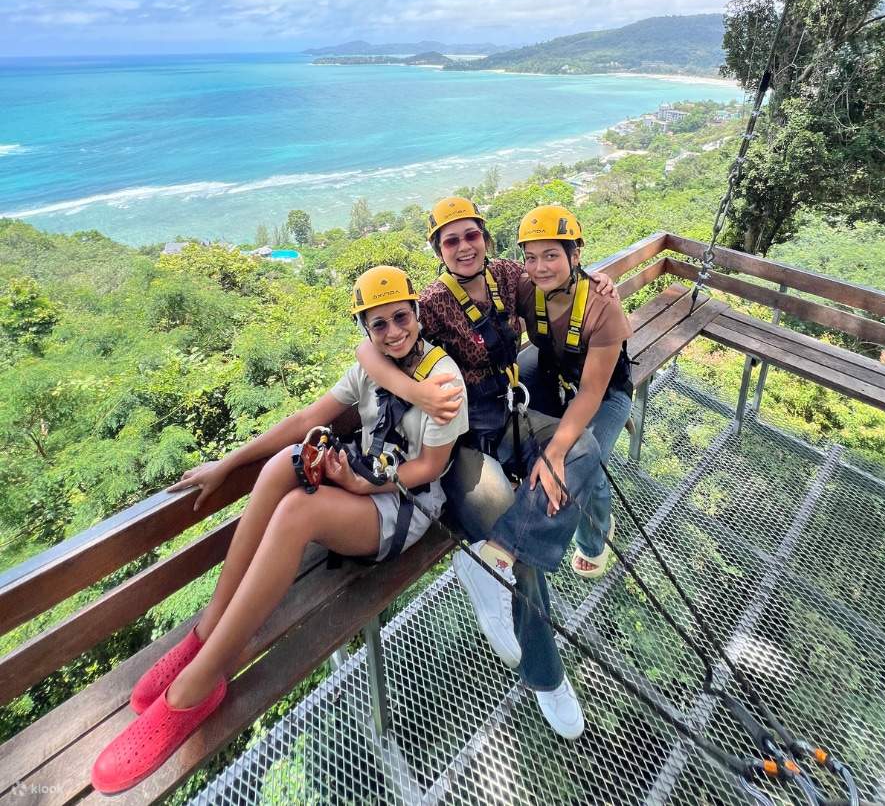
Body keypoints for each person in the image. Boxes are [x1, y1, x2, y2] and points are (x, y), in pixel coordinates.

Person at [91, 266, 468, 795]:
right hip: (360, 477)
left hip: (404, 504)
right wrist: (230, 461)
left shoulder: (442, 379)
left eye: (400, 317)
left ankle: (198, 687)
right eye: (377, 324)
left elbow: (429, 467)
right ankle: (205, 633)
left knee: (298, 512)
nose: (393, 332)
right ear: (366, 329)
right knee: (284, 464)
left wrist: (362, 487)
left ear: (418, 315)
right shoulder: (373, 367)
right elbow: (306, 419)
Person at [357, 196, 615, 740]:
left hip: (515, 413)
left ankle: (501, 551)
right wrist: (415, 391)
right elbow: (370, 352)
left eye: (471, 235)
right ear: (439, 251)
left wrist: (603, 285)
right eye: (451, 240)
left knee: (583, 449)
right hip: (465, 440)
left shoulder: (506, 277)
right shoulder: (427, 302)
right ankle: (547, 678)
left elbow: (559, 282)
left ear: (486, 240)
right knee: (524, 556)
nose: (464, 246)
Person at [515, 204, 633, 578]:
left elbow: (593, 390)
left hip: (604, 391)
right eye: (531, 258)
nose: (540, 268)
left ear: (575, 255)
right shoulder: (525, 287)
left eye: (551, 255)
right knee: (508, 408)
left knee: (588, 463)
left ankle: (594, 539)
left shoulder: (603, 306)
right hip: (552, 369)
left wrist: (558, 449)